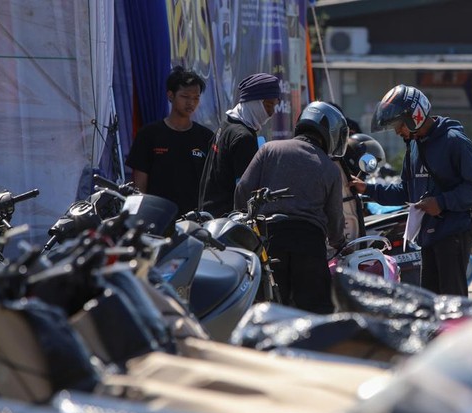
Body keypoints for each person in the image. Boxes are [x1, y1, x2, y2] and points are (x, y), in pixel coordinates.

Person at [350, 84, 472, 296]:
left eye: (399, 125)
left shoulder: (453, 141)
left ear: (414, 116)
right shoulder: (414, 145)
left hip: (454, 232)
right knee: (430, 299)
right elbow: (406, 191)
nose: (397, 131)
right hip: (429, 234)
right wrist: (367, 189)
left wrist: (441, 203)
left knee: (452, 298)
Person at [233, 101, 348, 313]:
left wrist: (247, 228)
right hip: (310, 247)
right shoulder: (330, 168)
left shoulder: (269, 149)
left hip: (269, 241)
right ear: (330, 133)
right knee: (315, 314)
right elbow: (335, 218)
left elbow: (243, 191)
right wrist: (338, 242)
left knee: (269, 311)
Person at [126, 66, 214, 215]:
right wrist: (139, 217)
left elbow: (211, 184)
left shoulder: (206, 137)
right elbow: (139, 186)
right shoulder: (148, 135)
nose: (191, 103)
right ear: (170, 95)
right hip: (157, 219)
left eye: (196, 98)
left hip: (194, 220)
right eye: (185, 96)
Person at [199, 73, 281, 217]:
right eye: (268, 105)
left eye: (274, 106)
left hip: (208, 215)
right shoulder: (244, 138)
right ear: (254, 102)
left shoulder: (226, 125)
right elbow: (245, 192)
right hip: (227, 221)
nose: (271, 112)